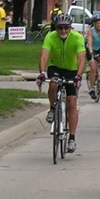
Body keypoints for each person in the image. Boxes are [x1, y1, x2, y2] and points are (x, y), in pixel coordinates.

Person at [37, 13, 86, 153]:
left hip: (72, 70)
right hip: (56, 67)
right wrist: (42, 73)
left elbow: (82, 59)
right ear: (56, 28)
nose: (63, 31)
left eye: (66, 28)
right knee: (53, 84)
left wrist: (78, 76)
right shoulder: (50, 37)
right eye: (60, 28)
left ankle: (72, 138)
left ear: (70, 28)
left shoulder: (77, 38)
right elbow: (44, 56)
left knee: (72, 103)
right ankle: (53, 108)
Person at [85, 12, 100, 100]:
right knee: (93, 68)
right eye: (97, 23)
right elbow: (90, 43)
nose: (99, 25)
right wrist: (91, 53)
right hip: (92, 49)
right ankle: (91, 88)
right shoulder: (91, 31)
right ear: (94, 24)